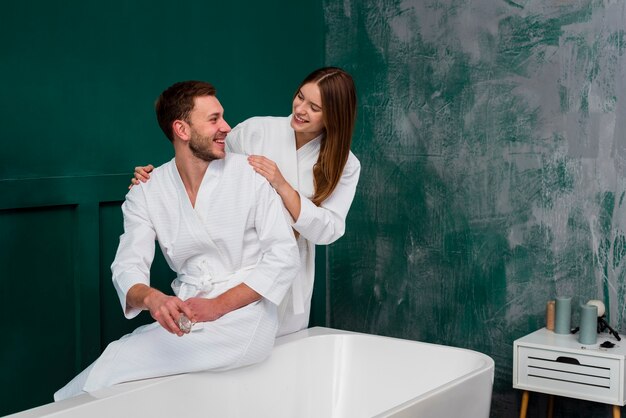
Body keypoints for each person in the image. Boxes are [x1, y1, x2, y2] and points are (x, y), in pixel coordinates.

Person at [54, 81, 300, 400]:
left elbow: (284, 257)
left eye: (222, 117)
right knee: (120, 363)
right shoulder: (147, 190)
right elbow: (127, 267)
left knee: (117, 360)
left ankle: (62, 407)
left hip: (243, 319)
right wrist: (154, 300)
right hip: (190, 315)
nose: (226, 127)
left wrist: (217, 306)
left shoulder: (251, 176)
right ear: (182, 129)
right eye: (214, 119)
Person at [132, 67, 360, 336]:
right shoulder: (256, 130)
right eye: (300, 97)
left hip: (289, 264)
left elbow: (328, 230)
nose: (300, 109)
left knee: (280, 355)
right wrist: (158, 178)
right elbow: (204, 157)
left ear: (334, 115)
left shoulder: (346, 164)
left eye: (314, 107)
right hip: (237, 265)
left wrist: (282, 185)